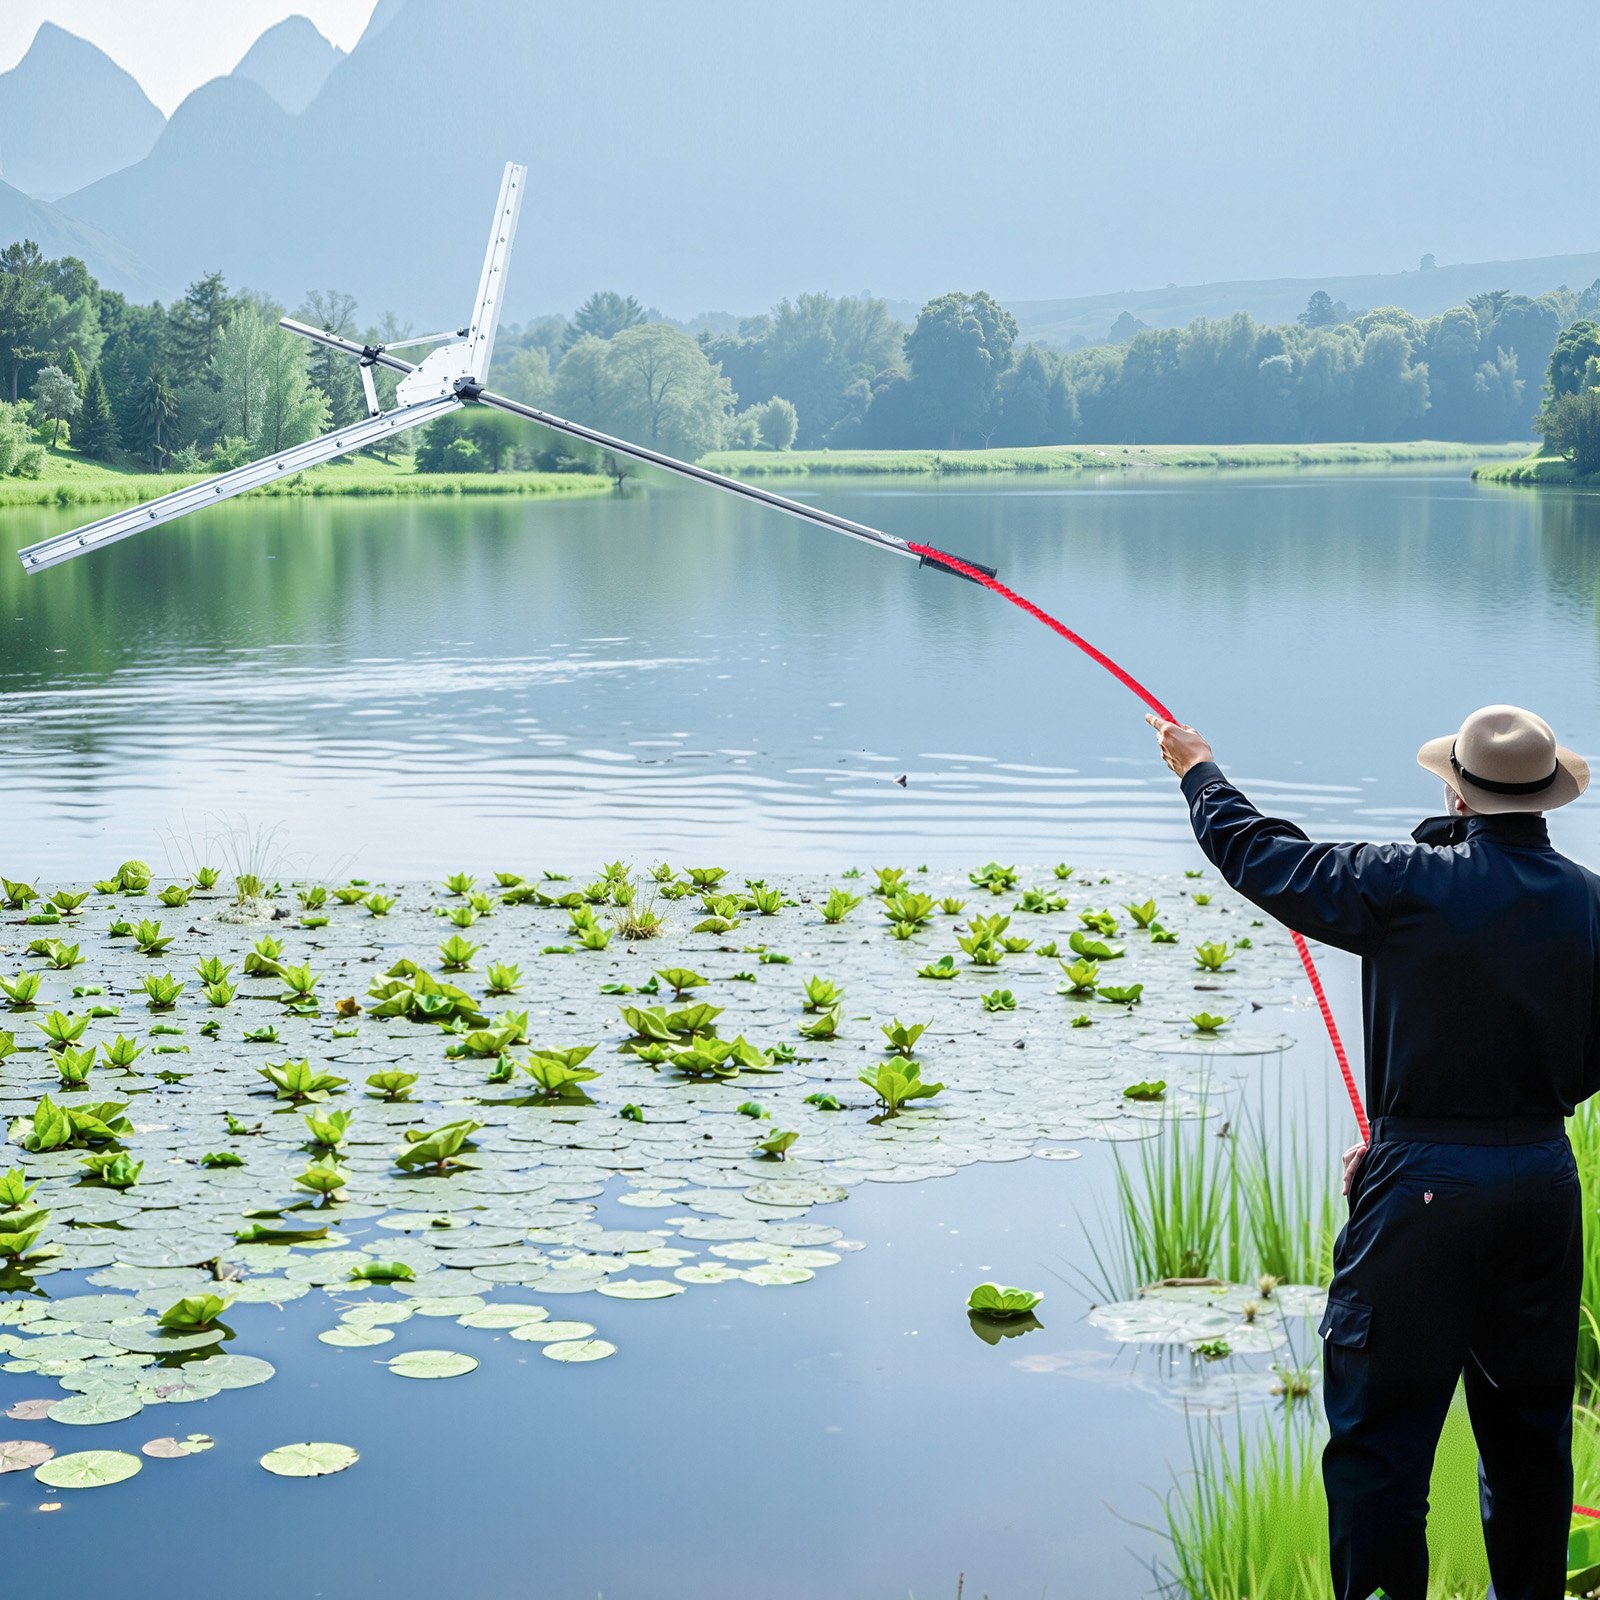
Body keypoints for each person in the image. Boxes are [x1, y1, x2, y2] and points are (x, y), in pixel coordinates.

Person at [1146, 703, 1598, 1600]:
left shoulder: (1405, 880)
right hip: (1544, 1182)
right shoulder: (1591, 900)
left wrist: (1199, 772)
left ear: (1455, 790)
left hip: (1421, 1194)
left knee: (1380, 1452)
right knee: (1529, 1442)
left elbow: (1264, 858)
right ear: (1548, 796)